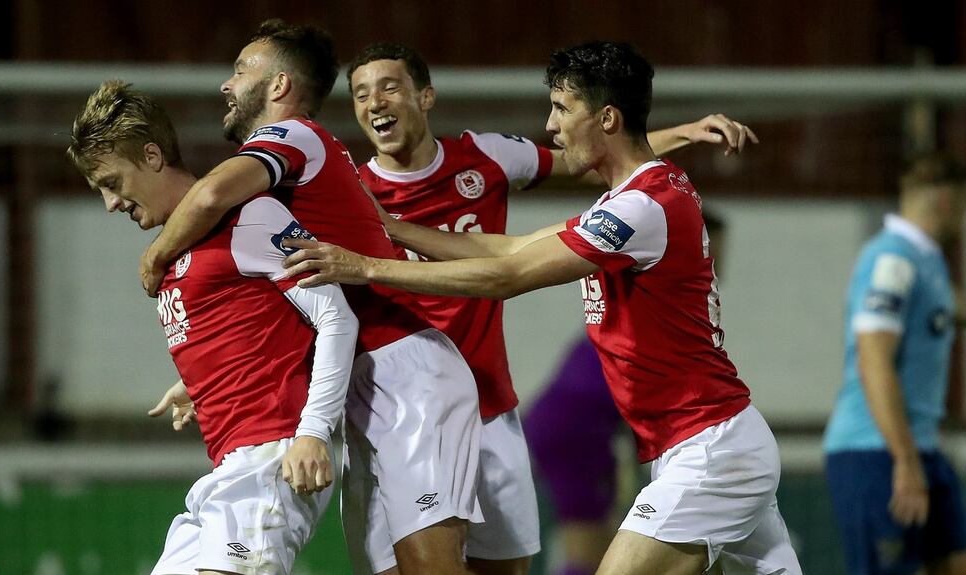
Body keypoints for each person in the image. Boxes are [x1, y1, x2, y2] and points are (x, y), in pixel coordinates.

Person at [282, 41, 803, 574]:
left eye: (562, 109)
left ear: (605, 118)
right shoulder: (628, 200)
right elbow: (509, 246)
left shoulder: (642, 207)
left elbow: (509, 275)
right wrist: (391, 231)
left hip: (708, 448)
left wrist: (367, 266)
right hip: (705, 442)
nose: (551, 126)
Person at [137, 21, 484, 575]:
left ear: (278, 86)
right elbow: (284, 298)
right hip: (365, 384)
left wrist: (157, 255)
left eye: (241, 70)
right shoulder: (298, 166)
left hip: (406, 371)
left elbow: (206, 195)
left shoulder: (294, 135)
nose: (227, 84)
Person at [66, 80, 359, 575]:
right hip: (228, 471)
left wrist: (313, 432)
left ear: (153, 156)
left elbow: (335, 317)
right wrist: (200, 383)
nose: (110, 204)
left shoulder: (251, 217)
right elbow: (256, 328)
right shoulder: (180, 251)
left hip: (271, 458)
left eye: (113, 183)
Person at [524, 211, 728, 575]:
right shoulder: (660, 305)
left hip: (574, 427)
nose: (718, 264)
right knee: (588, 548)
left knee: (600, 548)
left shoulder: (661, 305)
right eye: (712, 251)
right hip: (573, 430)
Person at [823, 155, 966, 575]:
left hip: (921, 449)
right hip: (877, 453)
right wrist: (903, 459)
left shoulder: (926, 261)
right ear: (945, 201)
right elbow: (874, 359)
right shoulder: (891, 260)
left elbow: (944, 307)